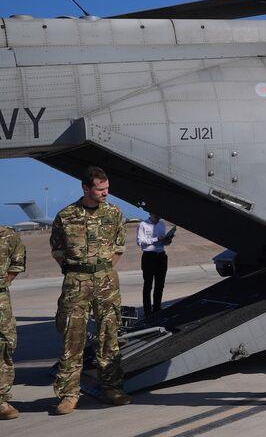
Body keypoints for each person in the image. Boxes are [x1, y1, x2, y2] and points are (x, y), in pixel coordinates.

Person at [49, 166, 131, 414]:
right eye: (100, 189)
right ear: (86, 188)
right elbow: (57, 250)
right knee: (72, 337)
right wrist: (80, 270)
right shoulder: (66, 216)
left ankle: (112, 387)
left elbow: (118, 248)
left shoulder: (115, 213)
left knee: (109, 335)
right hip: (76, 282)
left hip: (106, 281)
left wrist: (100, 270)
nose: (106, 193)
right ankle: (68, 394)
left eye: (107, 188)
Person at [0, 224, 25, 420]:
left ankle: (1, 400)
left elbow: (17, 264)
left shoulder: (7, 235)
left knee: (5, 345)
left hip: (1, 300)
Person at [136, 212, 174, 315]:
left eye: (159, 215)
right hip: (149, 256)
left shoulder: (162, 224)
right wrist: (156, 239)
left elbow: (163, 242)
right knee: (148, 284)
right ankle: (147, 310)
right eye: (156, 215)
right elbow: (140, 241)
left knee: (160, 284)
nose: (158, 217)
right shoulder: (143, 224)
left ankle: (157, 307)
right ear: (150, 213)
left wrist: (167, 240)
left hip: (161, 255)